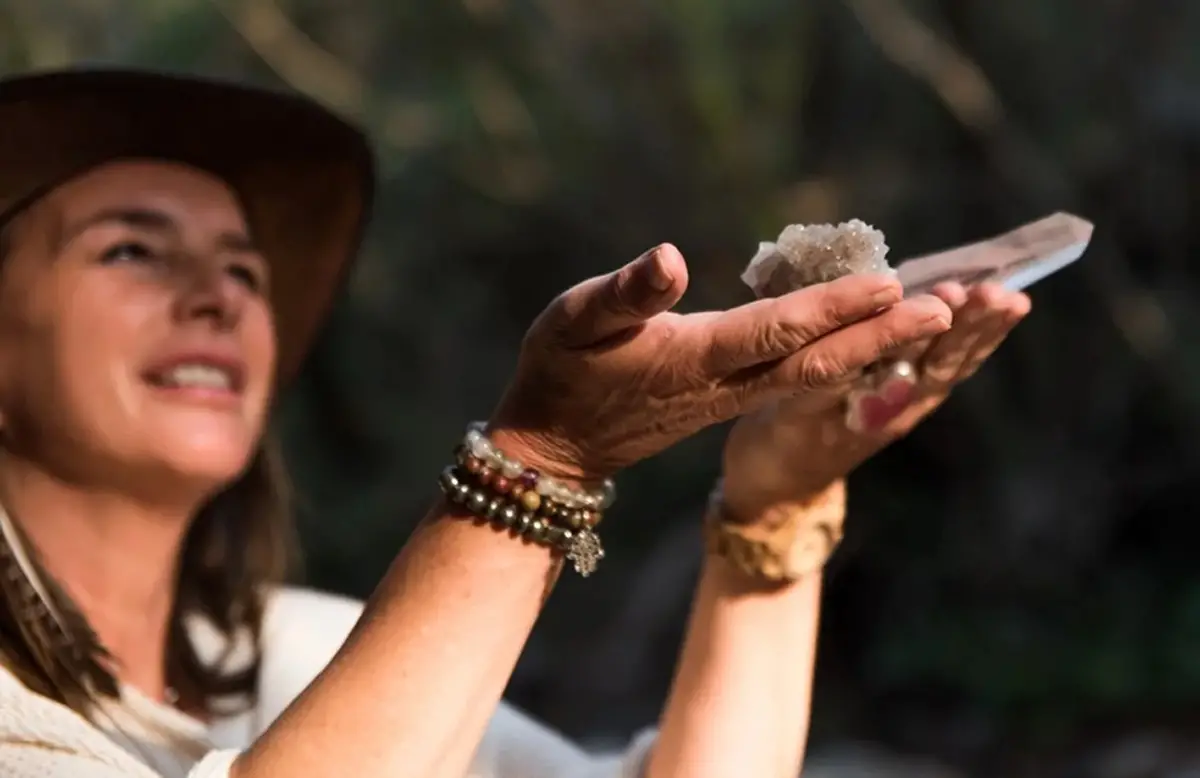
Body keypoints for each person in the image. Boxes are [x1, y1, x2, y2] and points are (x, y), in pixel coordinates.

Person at [0, 68, 1027, 778]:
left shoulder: (292, 647)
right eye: (131, 251)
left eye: (243, 269)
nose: (219, 298)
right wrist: (541, 461)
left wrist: (779, 499)